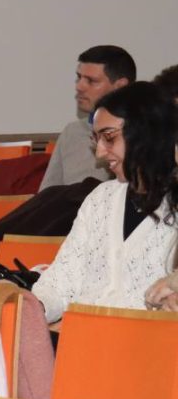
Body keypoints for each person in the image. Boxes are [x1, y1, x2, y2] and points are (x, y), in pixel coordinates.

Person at [32, 82, 178, 323]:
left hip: (147, 341)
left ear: (145, 133)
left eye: (109, 137)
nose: (99, 152)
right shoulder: (100, 199)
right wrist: (35, 307)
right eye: (97, 139)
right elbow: (61, 282)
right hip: (82, 335)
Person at [39, 45, 135, 190]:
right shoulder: (72, 132)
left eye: (91, 81)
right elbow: (47, 194)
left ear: (120, 86)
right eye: (79, 78)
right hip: (72, 204)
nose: (79, 87)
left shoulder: (140, 132)